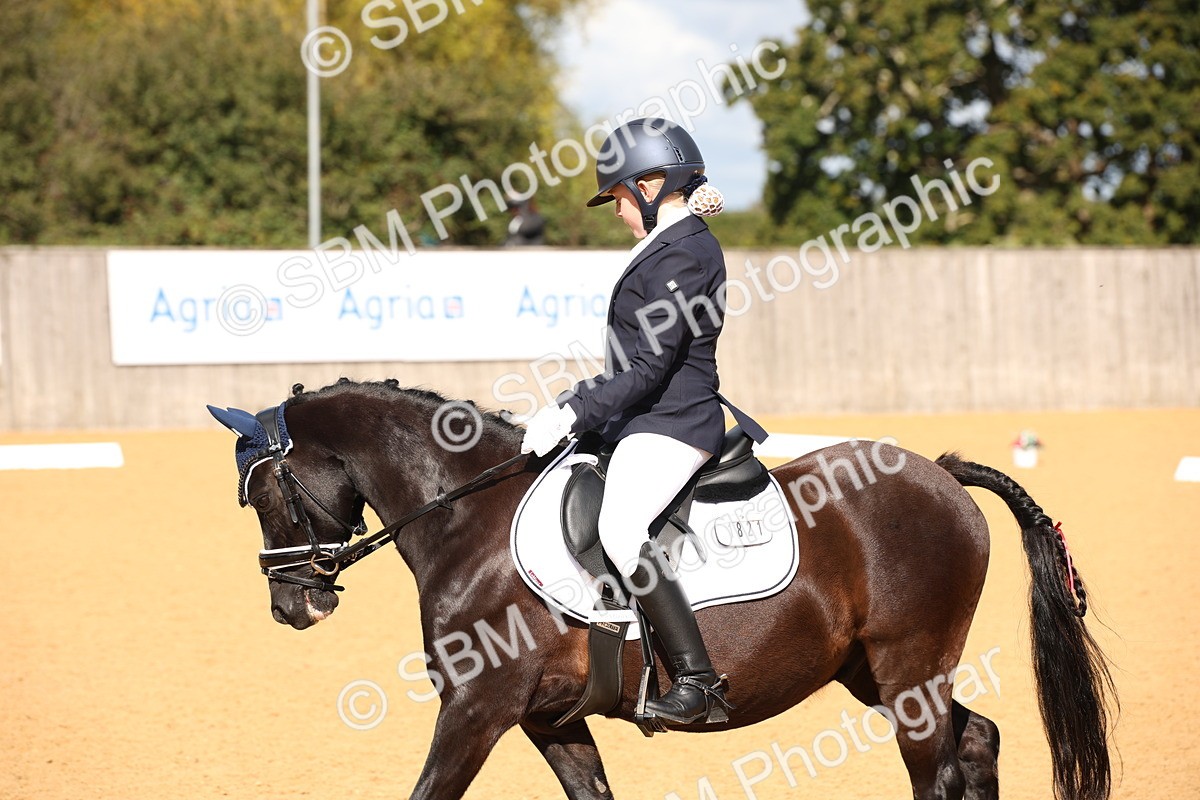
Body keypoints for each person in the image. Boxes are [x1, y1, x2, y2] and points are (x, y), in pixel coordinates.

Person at [521, 117, 765, 726]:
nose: (617, 211)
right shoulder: (672, 243)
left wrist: (572, 408)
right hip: (645, 416)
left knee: (623, 527)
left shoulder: (683, 251)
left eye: (621, 197)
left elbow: (650, 366)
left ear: (653, 184)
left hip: (674, 421)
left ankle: (698, 678)